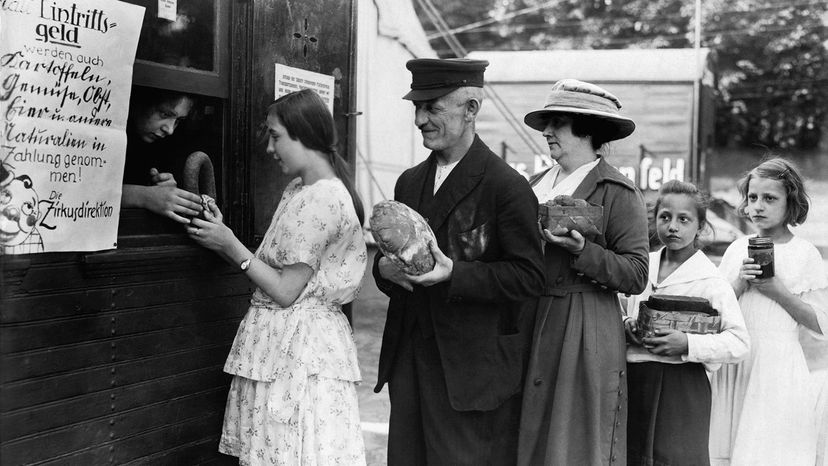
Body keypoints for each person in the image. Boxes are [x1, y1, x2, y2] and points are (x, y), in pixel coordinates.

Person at [372, 58, 545, 465]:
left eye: (432, 107)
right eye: (416, 107)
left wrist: (455, 274)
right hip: (410, 362)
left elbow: (529, 277)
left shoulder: (507, 186)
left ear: (471, 109)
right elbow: (396, 263)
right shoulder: (409, 182)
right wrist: (383, 271)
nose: (419, 119)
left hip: (470, 374)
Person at [187, 89, 368, 465]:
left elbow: (286, 291)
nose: (270, 148)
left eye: (275, 136)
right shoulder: (301, 190)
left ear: (304, 134)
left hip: (297, 353)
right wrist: (222, 236)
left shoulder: (321, 198)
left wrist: (230, 244)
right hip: (286, 345)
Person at [517, 79, 650, 466]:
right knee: (530, 435)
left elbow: (637, 273)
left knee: (574, 442)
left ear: (587, 130)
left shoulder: (617, 191)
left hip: (584, 326)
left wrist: (583, 251)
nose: (546, 132)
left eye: (557, 123)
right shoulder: (533, 186)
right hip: (531, 317)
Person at [709, 158, 827, 466]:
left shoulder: (804, 253)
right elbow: (715, 310)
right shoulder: (737, 249)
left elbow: (820, 322)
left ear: (791, 203)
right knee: (730, 444)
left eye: (770, 198)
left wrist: (777, 290)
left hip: (778, 364)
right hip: (738, 360)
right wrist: (740, 284)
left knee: (770, 448)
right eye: (753, 198)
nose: (758, 206)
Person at [623, 180, 749, 465]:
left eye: (684, 219)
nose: (673, 227)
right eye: (665, 217)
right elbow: (616, 305)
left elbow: (739, 343)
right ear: (654, 219)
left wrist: (688, 343)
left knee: (675, 458)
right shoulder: (641, 267)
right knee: (633, 456)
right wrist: (627, 322)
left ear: (700, 226)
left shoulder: (710, 281)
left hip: (682, 386)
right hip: (634, 381)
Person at [122, 87, 203, 223]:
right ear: (139, 103)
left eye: (178, 120)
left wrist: (162, 189)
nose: (170, 130)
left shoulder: (163, 145)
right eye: (164, 114)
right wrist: (144, 196)